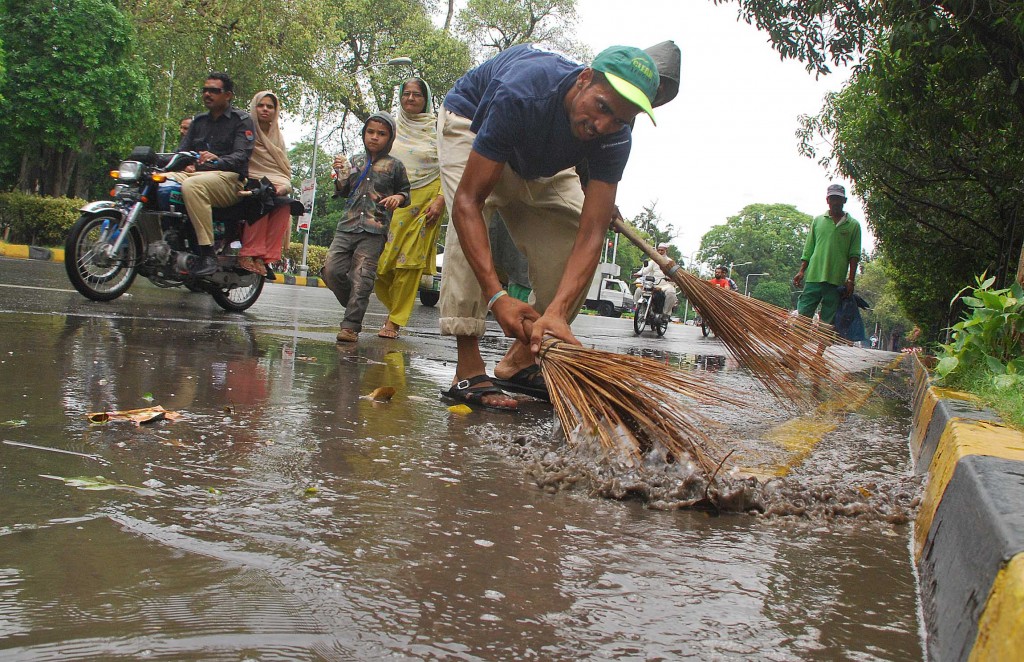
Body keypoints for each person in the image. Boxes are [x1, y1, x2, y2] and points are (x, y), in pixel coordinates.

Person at [436, 44, 660, 410]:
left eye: (620, 118)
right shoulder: (524, 91)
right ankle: (468, 367)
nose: (603, 125)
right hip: (472, 125)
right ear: (585, 78)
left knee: (572, 230)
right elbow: (468, 202)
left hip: (541, 159)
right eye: (602, 106)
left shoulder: (615, 136)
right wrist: (497, 297)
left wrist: (556, 312)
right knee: (470, 225)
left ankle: (520, 360)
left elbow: (592, 231)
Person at [323, 112, 411, 343]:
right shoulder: (355, 162)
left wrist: (398, 199)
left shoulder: (395, 166)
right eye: (370, 132)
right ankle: (355, 301)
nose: (375, 137)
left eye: (381, 134)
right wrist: (341, 175)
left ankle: (350, 327)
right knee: (331, 270)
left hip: (374, 229)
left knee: (363, 277)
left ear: (390, 138)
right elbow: (342, 190)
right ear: (364, 134)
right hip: (347, 226)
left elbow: (405, 192)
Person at [373, 79, 445, 339]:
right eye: (406, 94)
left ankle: (394, 322)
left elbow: (449, 168)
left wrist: (440, 200)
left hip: (426, 202)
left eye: (417, 95)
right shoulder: (391, 129)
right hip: (390, 203)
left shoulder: (438, 129)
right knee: (379, 265)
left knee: (408, 264)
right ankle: (396, 309)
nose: (411, 99)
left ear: (426, 99)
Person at [171, 72, 256, 275]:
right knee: (159, 182)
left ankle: (207, 253)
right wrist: (180, 163)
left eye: (214, 91)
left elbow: (241, 155)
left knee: (193, 186)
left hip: (229, 179)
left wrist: (217, 159)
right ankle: (168, 240)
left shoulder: (241, 120)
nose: (207, 94)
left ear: (228, 95)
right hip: (195, 175)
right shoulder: (198, 122)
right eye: (205, 90)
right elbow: (181, 152)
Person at [237, 91, 293, 276]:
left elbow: (282, 168)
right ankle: (249, 252)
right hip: (247, 179)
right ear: (254, 107)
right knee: (262, 195)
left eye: (270, 106)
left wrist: (284, 186)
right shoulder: (245, 131)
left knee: (286, 205)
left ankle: (264, 257)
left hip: (274, 183)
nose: (265, 109)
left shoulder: (278, 137)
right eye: (261, 105)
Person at [793, 184, 862, 327]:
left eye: (838, 199)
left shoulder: (853, 225)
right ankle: (795, 349)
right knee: (803, 314)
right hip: (814, 276)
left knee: (828, 321)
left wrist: (851, 280)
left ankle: (820, 350)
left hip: (835, 279)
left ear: (845, 201)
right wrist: (801, 271)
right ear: (827, 200)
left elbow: (854, 255)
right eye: (832, 198)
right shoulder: (818, 221)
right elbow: (809, 249)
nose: (835, 202)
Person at [633, 243, 679, 317]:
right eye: (659, 250)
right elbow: (645, 270)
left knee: (671, 293)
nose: (660, 252)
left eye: (662, 250)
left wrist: (671, 278)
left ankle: (665, 314)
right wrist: (638, 274)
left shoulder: (670, 262)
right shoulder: (653, 261)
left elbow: (674, 274)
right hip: (653, 282)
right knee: (639, 290)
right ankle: (640, 309)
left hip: (665, 284)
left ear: (666, 250)